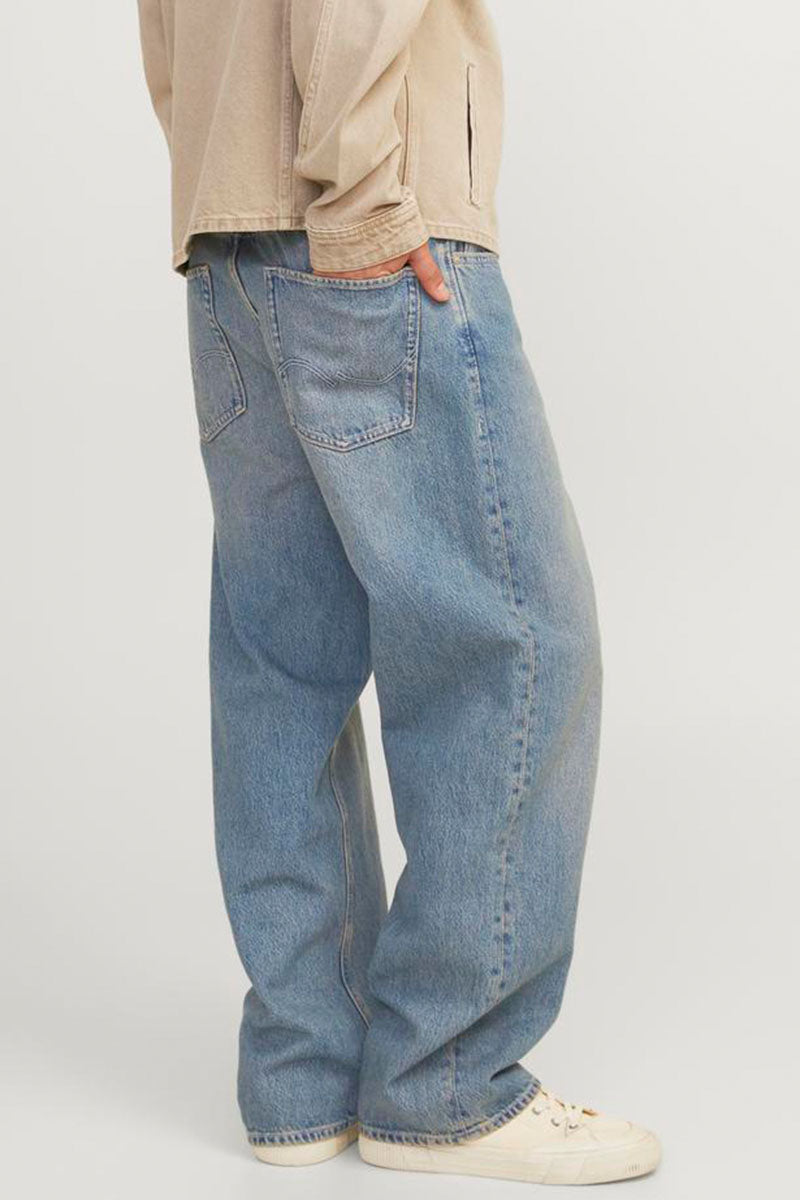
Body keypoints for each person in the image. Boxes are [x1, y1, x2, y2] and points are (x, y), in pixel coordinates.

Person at [137, 0, 660, 1186]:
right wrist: (367, 200)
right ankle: (446, 1083)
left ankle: (303, 1077)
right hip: (362, 225)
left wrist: (217, 180)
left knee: (282, 665)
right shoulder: (364, 208)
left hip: (226, 246)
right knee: (512, 643)